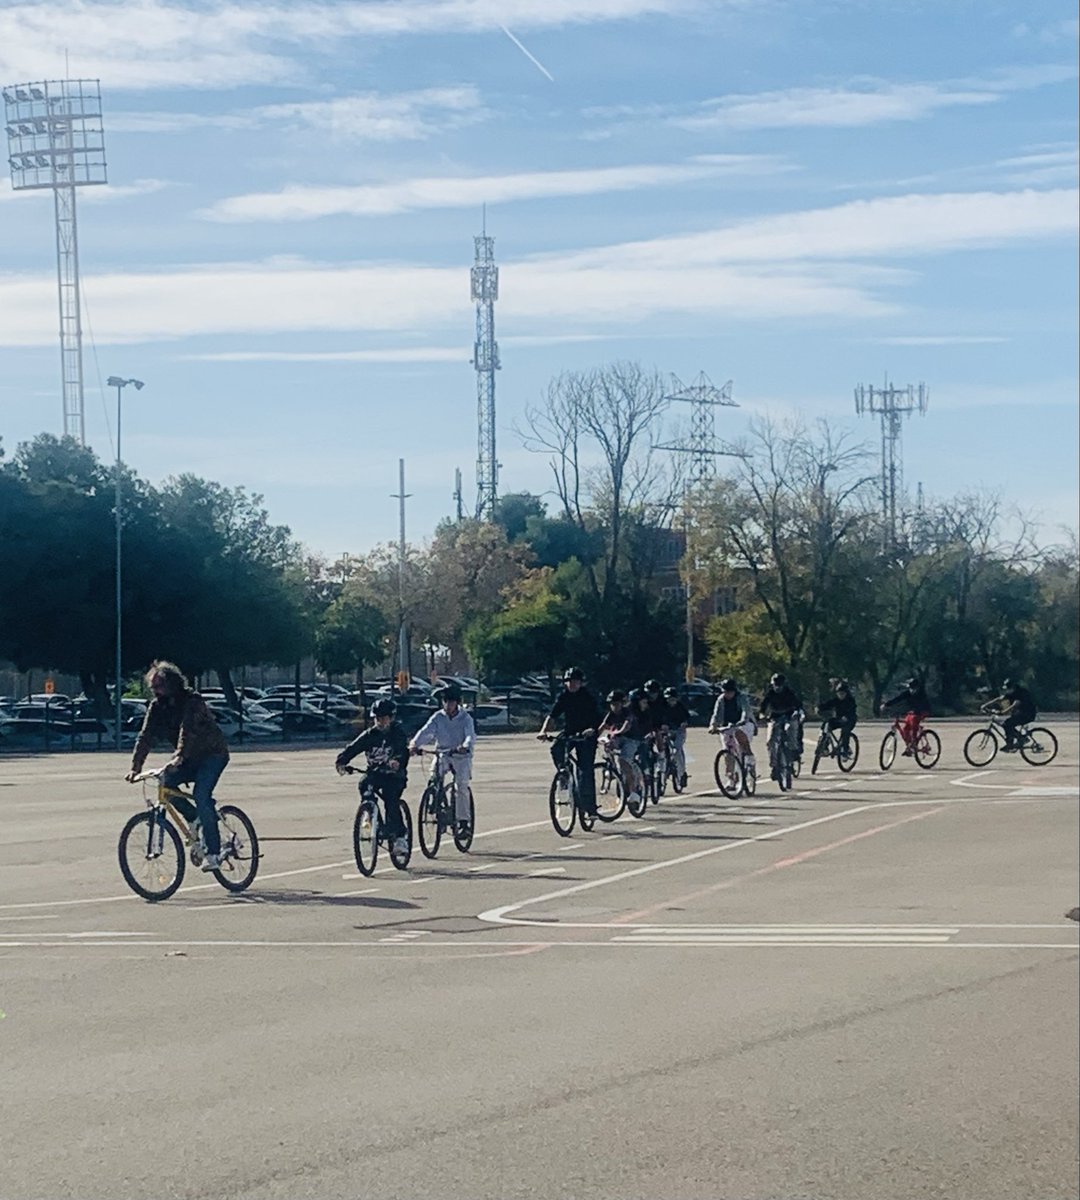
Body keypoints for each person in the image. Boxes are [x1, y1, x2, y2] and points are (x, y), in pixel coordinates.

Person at [126, 660, 230, 871]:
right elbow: (145, 735)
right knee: (166, 783)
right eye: (153, 687)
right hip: (189, 758)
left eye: (159, 686)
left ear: (172, 683)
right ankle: (194, 818)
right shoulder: (157, 707)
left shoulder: (192, 701)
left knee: (202, 796)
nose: (155, 690)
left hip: (212, 755)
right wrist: (135, 767)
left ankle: (214, 852)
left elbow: (187, 730)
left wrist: (179, 757)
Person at [335, 698, 410, 857]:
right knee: (364, 785)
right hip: (375, 773)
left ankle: (399, 837)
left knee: (391, 799)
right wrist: (342, 761)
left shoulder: (397, 733)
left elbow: (403, 751)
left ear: (391, 718)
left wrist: (397, 761)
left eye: (384, 718)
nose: (380, 722)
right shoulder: (370, 735)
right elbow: (353, 748)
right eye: (377, 718)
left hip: (394, 776)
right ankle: (371, 816)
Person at [409, 685, 476, 838]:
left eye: (451, 702)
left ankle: (463, 822)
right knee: (434, 776)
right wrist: (414, 745)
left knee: (461, 786)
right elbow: (426, 732)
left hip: (461, 756)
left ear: (457, 702)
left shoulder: (466, 718)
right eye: (445, 701)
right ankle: (437, 805)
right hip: (443, 753)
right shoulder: (438, 717)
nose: (448, 705)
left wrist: (465, 746)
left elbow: (470, 736)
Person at [537, 667, 601, 816]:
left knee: (585, 770)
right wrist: (543, 731)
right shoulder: (564, 696)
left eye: (575, 682)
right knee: (556, 749)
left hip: (587, 734)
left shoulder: (588, 697)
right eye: (569, 682)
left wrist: (592, 729)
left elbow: (598, 717)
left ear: (581, 683)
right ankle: (565, 774)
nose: (572, 684)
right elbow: (552, 715)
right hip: (570, 731)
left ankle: (590, 808)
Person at [598, 688, 647, 805]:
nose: (614, 707)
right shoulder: (611, 714)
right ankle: (612, 768)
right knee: (608, 745)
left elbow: (626, 726)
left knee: (624, 761)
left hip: (632, 739)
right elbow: (603, 726)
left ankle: (633, 792)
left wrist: (616, 733)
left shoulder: (627, 713)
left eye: (617, 704)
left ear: (622, 704)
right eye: (612, 704)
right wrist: (594, 736)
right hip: (619, 738)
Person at [757, 672, 803, 781]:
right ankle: (774, 766)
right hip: (775, 717)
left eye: (780, 685)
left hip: (789, 716)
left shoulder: (789, 693)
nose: (777, 687)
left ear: (783, 685)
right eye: (775, 685)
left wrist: (797, 714)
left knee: (792, 734)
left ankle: (792, 756)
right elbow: (763, 708)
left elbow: (798, 706)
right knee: (771, 741)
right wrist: (762, 716)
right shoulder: (770, 693)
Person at [708, 677, 757, 774]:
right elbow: (716, 715)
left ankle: (750, 758)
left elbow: (745, 711)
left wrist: (743, 720)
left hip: (744, 724)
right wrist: (713, 726)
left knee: (740, 736)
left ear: (734, 691)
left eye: (730, 692)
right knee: (727, 750)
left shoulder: (741, 698)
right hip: (727, 726)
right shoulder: (721, 699)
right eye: (725, 692)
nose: (727, 694)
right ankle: (731, 777)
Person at [880, 676, 930, 755]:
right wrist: (886, 704)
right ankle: (909, 746)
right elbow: (898, 699)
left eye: (913, 688)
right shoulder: (908, 693)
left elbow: (923, 704)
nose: (912, 690)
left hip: (922, 711)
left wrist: (916, 711)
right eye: (910, 688)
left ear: (917, 687)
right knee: (906, 728)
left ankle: (914, 743)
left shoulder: (921, 694)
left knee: (913, 722)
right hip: (913, 712)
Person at [985, 678, 1037, 752]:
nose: (1006, 690)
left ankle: (1012, 743)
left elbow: (1014, 705)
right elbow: (999, 699)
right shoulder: (1011, 693)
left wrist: (1002, 712)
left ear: (1013, 687)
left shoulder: (1020, 693)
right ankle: (1018, 739)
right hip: (1020, 713)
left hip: (1028, 714)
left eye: (1008, 688)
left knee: (1007, 723)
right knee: (1007, 724)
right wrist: (985, 705)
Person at [659, 686, 692, 787]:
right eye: (669, 699)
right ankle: (662, 772)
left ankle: (682, 774)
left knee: (677, 749)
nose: (671, 701)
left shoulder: (680, 707)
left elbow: (687, 718)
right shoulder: (662, 707)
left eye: (673, 699)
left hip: (678, 731)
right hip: (666, 731)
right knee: (661, 750)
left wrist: (684, 723)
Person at [818, 678, 857, 758]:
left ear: (846, 693)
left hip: (850, 720)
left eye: (843, 693)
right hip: (839, 720)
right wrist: (819, 708)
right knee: (827, 725)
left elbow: (852, 711)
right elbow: (827, 705)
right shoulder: (835, 700)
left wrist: (847, 717)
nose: (841, 695)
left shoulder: (850, 701)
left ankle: (845, 750)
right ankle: (824, 746)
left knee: (845, 731)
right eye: (839, 693)